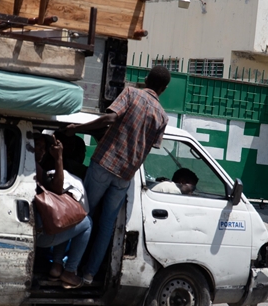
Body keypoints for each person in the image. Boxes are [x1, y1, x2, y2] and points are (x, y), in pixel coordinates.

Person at [64, 65, 170, 285]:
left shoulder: (131, 93)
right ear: (164, 88)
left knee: (83, 215)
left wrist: (76, 129)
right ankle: (89, 274)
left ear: (146, 79)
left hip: (104, 163)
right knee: (106, 225)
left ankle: (68, 267)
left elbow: (110, 119)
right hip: (124, 176)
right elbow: (150, 144)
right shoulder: (162, 116)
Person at [33, 134, 91, 288]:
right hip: (41, 235)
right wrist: (58, 158)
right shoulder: (33, 168)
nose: (41, 151)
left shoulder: (30, 166)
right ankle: (70, 271)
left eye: (43, 148)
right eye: (37, 146)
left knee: (68, 218)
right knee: (86, 223)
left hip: (38, 232)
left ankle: (56, 267)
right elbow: (57, 188)